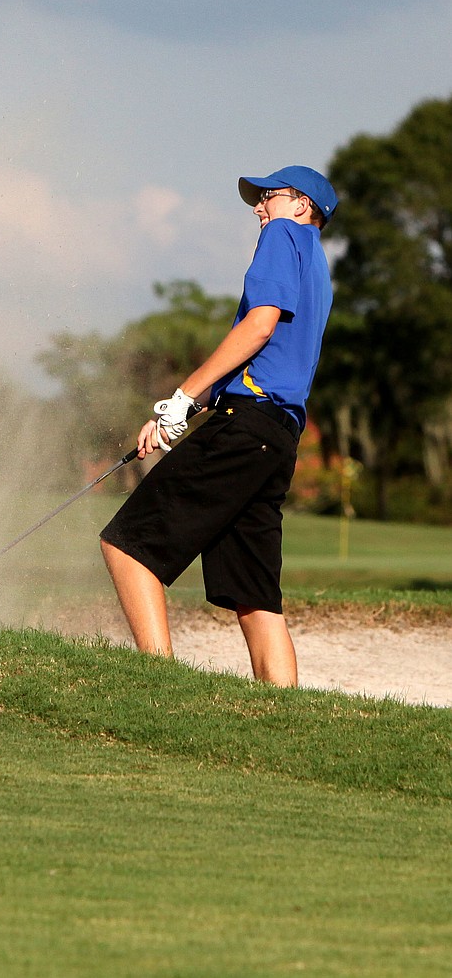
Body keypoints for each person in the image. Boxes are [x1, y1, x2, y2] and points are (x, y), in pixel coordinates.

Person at [100, 165, 337, 687]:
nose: (259, 208)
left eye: (268, 198)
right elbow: (261, 353)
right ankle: (283, 716)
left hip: (245, 424)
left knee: (127, 546)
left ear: (301, 206)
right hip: (276, 438)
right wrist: (176, 411)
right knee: (255, 599)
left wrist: (182, 395)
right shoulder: (317, 264)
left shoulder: (284, 234)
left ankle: (157, 686)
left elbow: (259, 325)